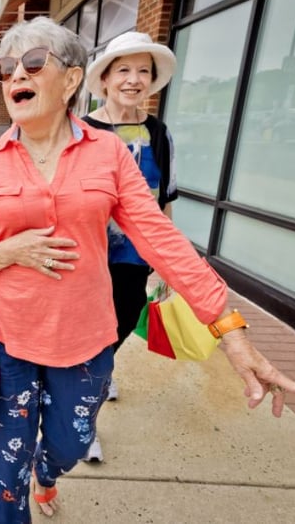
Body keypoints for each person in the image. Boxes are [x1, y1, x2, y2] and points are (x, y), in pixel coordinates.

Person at [0, 16, 295, 523]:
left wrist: (230, 331)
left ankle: (50, 470)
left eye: (34, 63)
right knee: (4, 470)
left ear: (72, 80)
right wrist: (5, 253)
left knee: (72, 443)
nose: (17, 75)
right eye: (6, 68)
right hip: (6, 336)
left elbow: (160, 238)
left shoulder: (107, 154)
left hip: (85, 336)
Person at [80, 31, 180, 462]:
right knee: (83, 337)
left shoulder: (159, 133)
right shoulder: (80, 129)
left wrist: (167, 263)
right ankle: (84, 423)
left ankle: (99, 371)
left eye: (143, 71)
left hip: (133, 257)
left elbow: (164, 202)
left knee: (118, 327)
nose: (133, 80)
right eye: (123, 70)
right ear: (104, 79)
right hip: (83, 255)